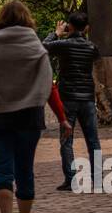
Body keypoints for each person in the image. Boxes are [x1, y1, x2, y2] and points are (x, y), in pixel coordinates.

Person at [0, 0, 69, 213]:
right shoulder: (35, 45)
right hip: (28, 114)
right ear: (27, 19)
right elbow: (48, 86)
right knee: (25, 169)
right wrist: (61, 117)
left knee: (3, 169)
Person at [43, 12, 102, 190]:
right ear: (87, 28)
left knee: (66, 140)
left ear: (70, 26)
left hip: (68, 97)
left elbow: (44, 46)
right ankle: (97, 179)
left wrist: (56, 33)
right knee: (93, 140)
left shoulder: (64, 45)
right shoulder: (92, 47)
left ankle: (70, 179)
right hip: (87, 98)